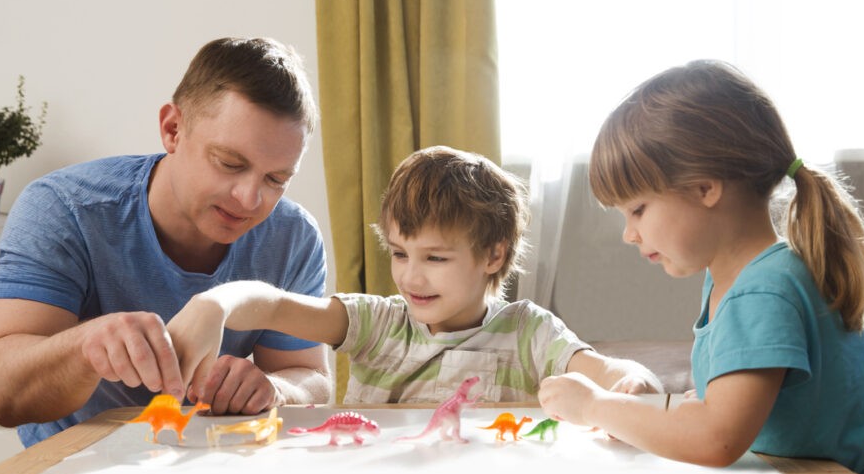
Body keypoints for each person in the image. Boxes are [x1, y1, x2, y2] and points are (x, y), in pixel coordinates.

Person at [538, 60, 864, 474]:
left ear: (704, 188)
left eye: (637, 209)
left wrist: (595, 406)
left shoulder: (763, 291)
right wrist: (656, 412)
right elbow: (741, 407)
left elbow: (717, 438)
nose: (629, 234)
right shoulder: (748, 277)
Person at [0, 37, 331, 447]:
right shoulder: (63, 209)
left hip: (214, 465)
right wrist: (87, 346)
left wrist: (276, 389)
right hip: (73, 471)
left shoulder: (292, 236)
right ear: (173, 129)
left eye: (276, 180)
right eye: (230, 164)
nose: (250, 199)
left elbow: (311, 377)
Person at [167, 145, 662, 404]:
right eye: (400, 253)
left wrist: (633, 382)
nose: (411, 278)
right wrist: (216, 304)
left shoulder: (530, 331)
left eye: (436, 258)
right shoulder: (378, 322)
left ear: (493, 256)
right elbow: (275, 305)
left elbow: (605, 371)